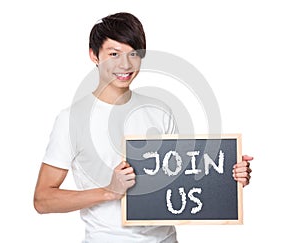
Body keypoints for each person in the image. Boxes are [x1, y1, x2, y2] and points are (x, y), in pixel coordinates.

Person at [33, 12, 253, 243]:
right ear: (94, 55)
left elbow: (182, 179)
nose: (125, 64)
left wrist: (228, 177)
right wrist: (109, 191)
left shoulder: (160, 111)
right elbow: (42, 199)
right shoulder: (72, 119)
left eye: (133, 54)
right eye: (114, 54)